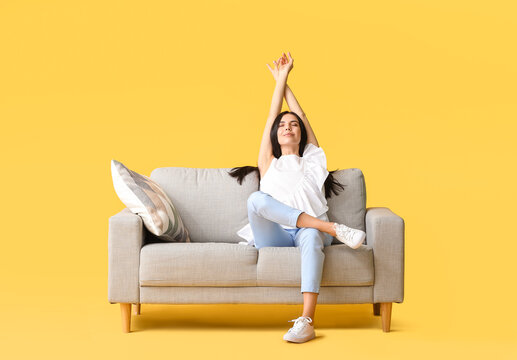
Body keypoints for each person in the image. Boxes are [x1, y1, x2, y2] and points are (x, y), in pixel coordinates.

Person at [228, 52, 366, 343]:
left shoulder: (314, 160)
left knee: (312, 235)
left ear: (301, 134)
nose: (287, 127)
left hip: (309, 233)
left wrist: (286, 79)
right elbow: (271, 116)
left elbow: (301, 115)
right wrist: (279, 80)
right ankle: (332, 228)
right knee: (256, 201)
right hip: (276, 234)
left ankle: (306, 321)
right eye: (282, 126)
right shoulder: (269, 163)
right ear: (275, 137)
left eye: (292, 126)